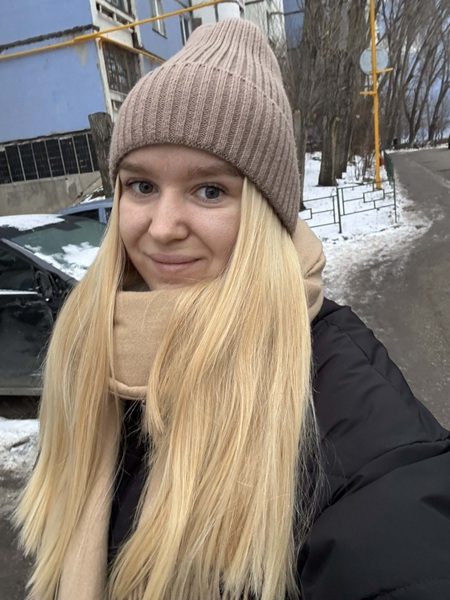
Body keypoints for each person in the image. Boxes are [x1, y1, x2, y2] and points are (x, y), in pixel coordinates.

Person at [16, 19, 450, 600]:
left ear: (266, 214)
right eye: (142, 186)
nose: (162, 228)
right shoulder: (92, 353)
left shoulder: (344, 402)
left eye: (210, 190)